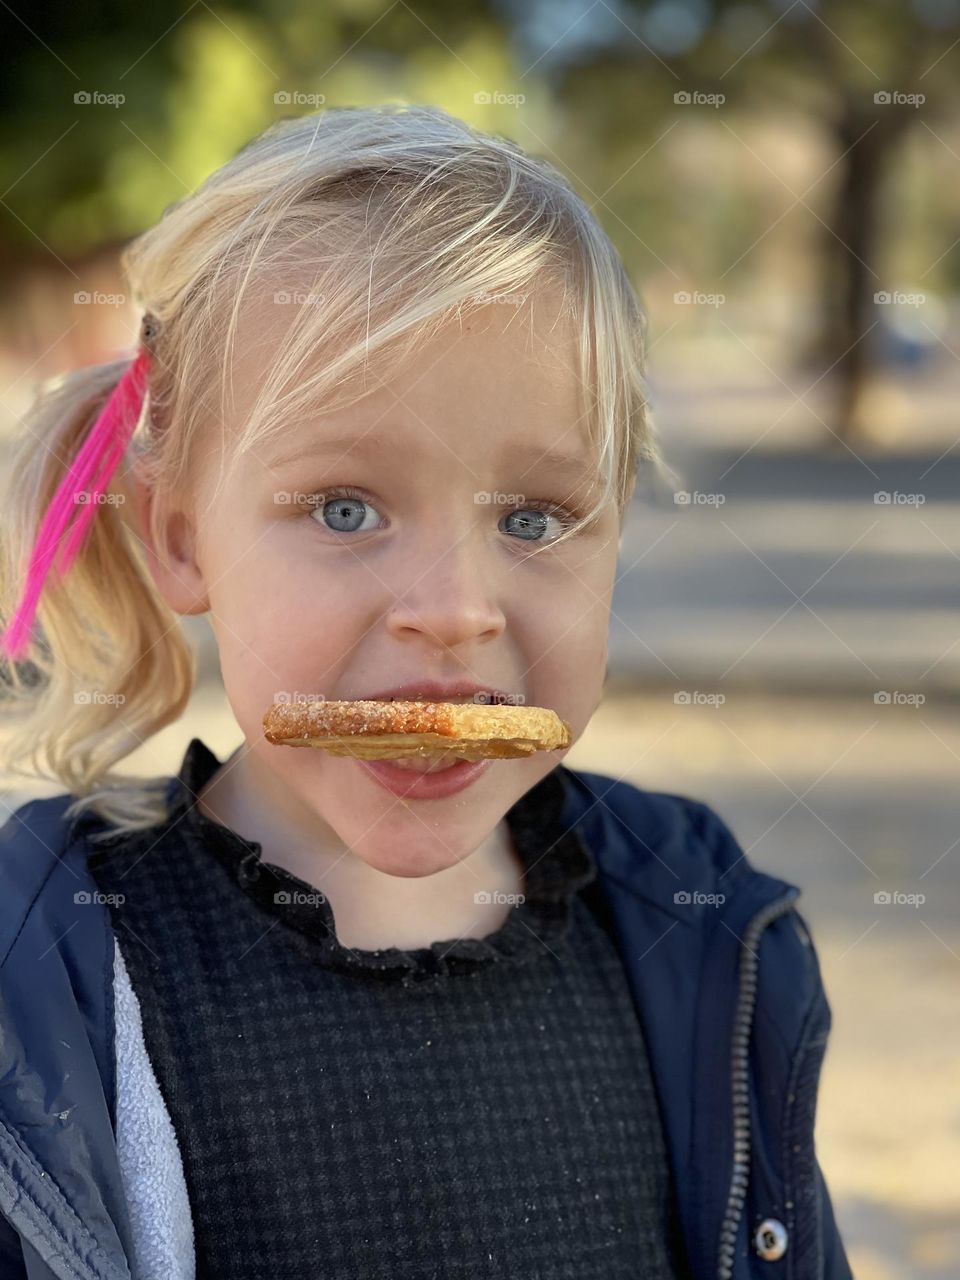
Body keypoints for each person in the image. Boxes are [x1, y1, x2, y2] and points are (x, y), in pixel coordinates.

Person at [0, 104, 852, 1280]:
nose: (455, 607)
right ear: (182, 537)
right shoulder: (44, 960)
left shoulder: (694, 919)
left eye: (535, 517)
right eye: (345, 508)